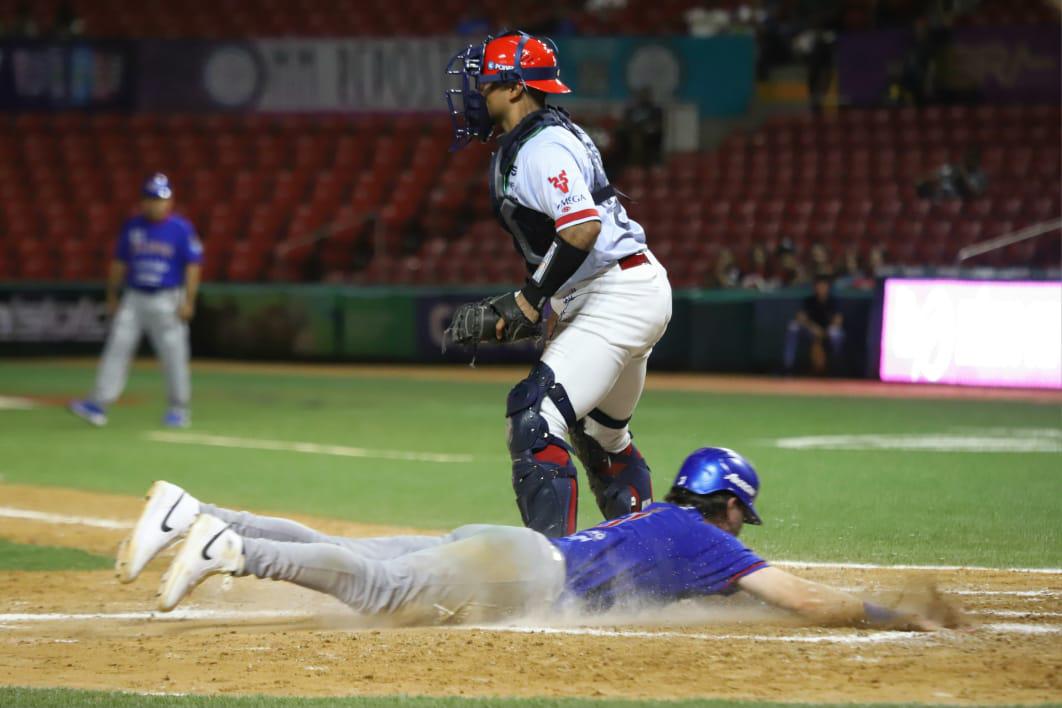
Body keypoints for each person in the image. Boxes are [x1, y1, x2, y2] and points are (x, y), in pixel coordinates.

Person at [116, 447, 957, 631]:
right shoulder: (710, 542)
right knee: (375, 588)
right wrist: (893, 615)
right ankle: (231, 549)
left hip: (509, 550)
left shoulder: (660, 518)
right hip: (519, 575)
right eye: (742, 512)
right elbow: (801, 599)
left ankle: (194, 511)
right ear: (727, 504)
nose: (743, 526)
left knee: (361, 556)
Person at [442, 32, 672, 537]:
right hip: (624, 287)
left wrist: (529, 301)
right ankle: (649, 559)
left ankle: (556, 568)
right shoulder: (546, 137)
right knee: (601, 437)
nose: (477, 92)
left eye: (487, 82)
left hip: (615, 294)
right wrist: (550, 307)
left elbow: (582, 227)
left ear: (516, 88)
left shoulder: (542, 148)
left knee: (535, 417)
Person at [68, 174, 202, 428]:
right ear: (142, 201)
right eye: (151, 199)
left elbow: (193, 266)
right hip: (134, 297)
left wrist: (189, 300)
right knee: (117, 348)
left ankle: (178, 408)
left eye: (160, 199)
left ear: (170, 201)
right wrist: (112, 295)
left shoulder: (181, 228)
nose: (156, 204)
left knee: (174, 355)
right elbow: (119, 262)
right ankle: (97, 404)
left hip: (167, 298)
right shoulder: (133, 226)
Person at [784, 272, 844, 375]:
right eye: (819, 285)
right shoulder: (809, 301)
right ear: (815, 287)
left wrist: (824, 332)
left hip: (827, 333)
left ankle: (836, 368)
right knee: (793, 326)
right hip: (811, 331)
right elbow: (800, 317)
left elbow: (838, 321)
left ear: (828, 287)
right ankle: (788, 366)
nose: (821, 288)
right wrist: (813, 328)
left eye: (824, 285)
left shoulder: (834, 301)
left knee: (835, 333)